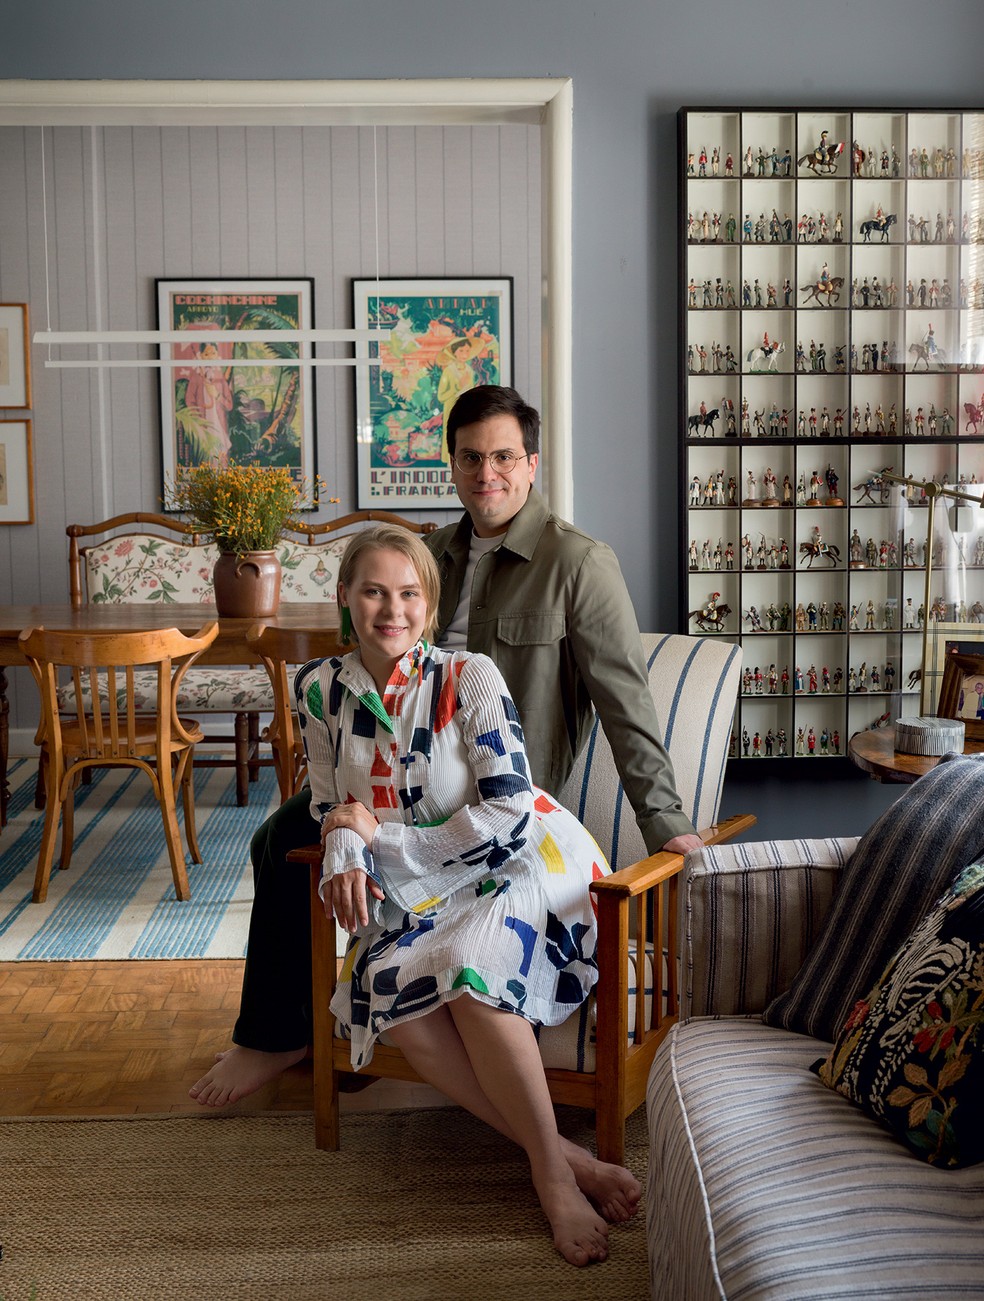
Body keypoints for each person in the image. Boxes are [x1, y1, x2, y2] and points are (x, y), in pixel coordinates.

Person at [191, 385, 700, 1113]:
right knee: (282, 837)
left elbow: (629, 709)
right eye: (469, 457)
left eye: (501, 456)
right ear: (453, 465)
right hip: (392, 777)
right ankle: (286, 1031)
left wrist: (665, 825)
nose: (485, 472)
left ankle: (355, 1014)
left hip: (489, 794)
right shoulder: (432, 551)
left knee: (345, 848)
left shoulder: (580, 564)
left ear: (529, 463)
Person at [290, 523, 629, 1265]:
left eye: (409, 592)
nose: (392, 609)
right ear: (345, 597)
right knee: (390, 991)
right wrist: (345, 835)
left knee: (474, 972)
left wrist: (375, 838)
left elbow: (507, 805)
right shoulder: (317, 688)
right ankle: (569, 1156)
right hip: (418, 885)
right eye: (374, 591)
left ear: (429, 602)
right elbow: (325, 803)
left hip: (520, 858)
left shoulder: (467, 675)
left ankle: (549, 1178)